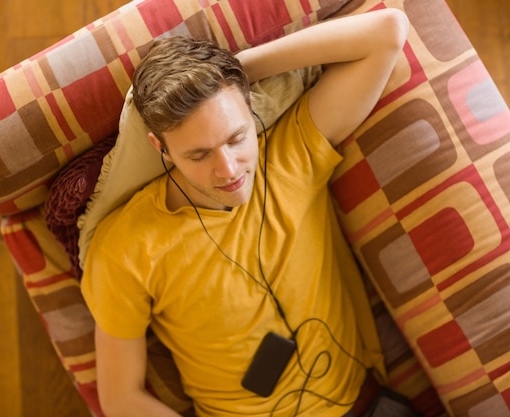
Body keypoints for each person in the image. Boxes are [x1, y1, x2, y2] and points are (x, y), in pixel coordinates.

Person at [81, 7, 409, 417]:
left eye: (237, 137)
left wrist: (233, 73)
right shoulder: (124, 248)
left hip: (364, 406)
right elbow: (121, 399)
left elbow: (388, 32)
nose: (230, 170)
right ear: (160, 147)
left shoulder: (292, 155)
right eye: (198, 154)